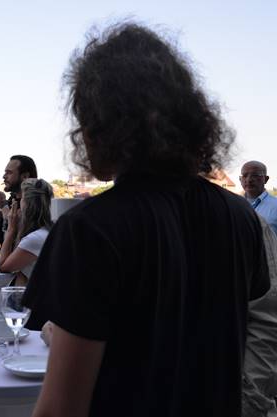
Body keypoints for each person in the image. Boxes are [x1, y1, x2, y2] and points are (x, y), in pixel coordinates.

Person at [26, 23, 269, 417]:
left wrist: (63, 338)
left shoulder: (89, 230)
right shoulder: (240, 215)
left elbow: (60, 409)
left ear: (105, 125)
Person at [243, 216, 277, 417]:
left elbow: (268, 314)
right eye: (245, 179)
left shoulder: (245, 221)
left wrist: (251, 394)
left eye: (254, 179)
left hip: (229, 391)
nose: (249, 181)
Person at [0, 178, 53, 286]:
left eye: (21, 198)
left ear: (27, 204)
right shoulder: (48, 231)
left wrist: (11, 229)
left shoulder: (35, 238)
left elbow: (3, 267)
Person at [0, 155, 38, 248]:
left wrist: (3, 205)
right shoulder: (10, 202)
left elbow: (18, 239)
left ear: (25, 176)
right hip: (3, 261)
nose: (4, 176)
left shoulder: (37, 205)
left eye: (9, 173)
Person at [241, 160, 277, 235]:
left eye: (255, 175)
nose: (249, 180)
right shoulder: (234, 204)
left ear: (266, 179)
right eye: (245, 175)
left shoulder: (275, 206)